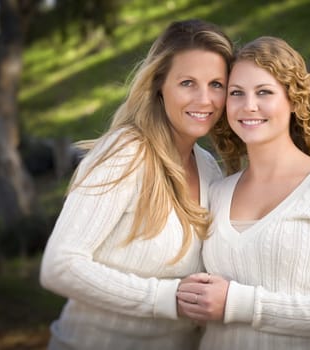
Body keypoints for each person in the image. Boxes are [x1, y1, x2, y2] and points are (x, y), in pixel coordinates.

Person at [39, 19, 233, 350]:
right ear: (160, 85)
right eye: (188, 82)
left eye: (216, 84)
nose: (205, 99)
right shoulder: (126, 152)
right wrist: (166, 298)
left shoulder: (209, 168)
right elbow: (59, 266)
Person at [176, 36, 310, 350]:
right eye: (236, 93)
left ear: (294, 100)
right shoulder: (216, 191)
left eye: (264, 92)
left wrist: (236, 303)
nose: (248, 106)